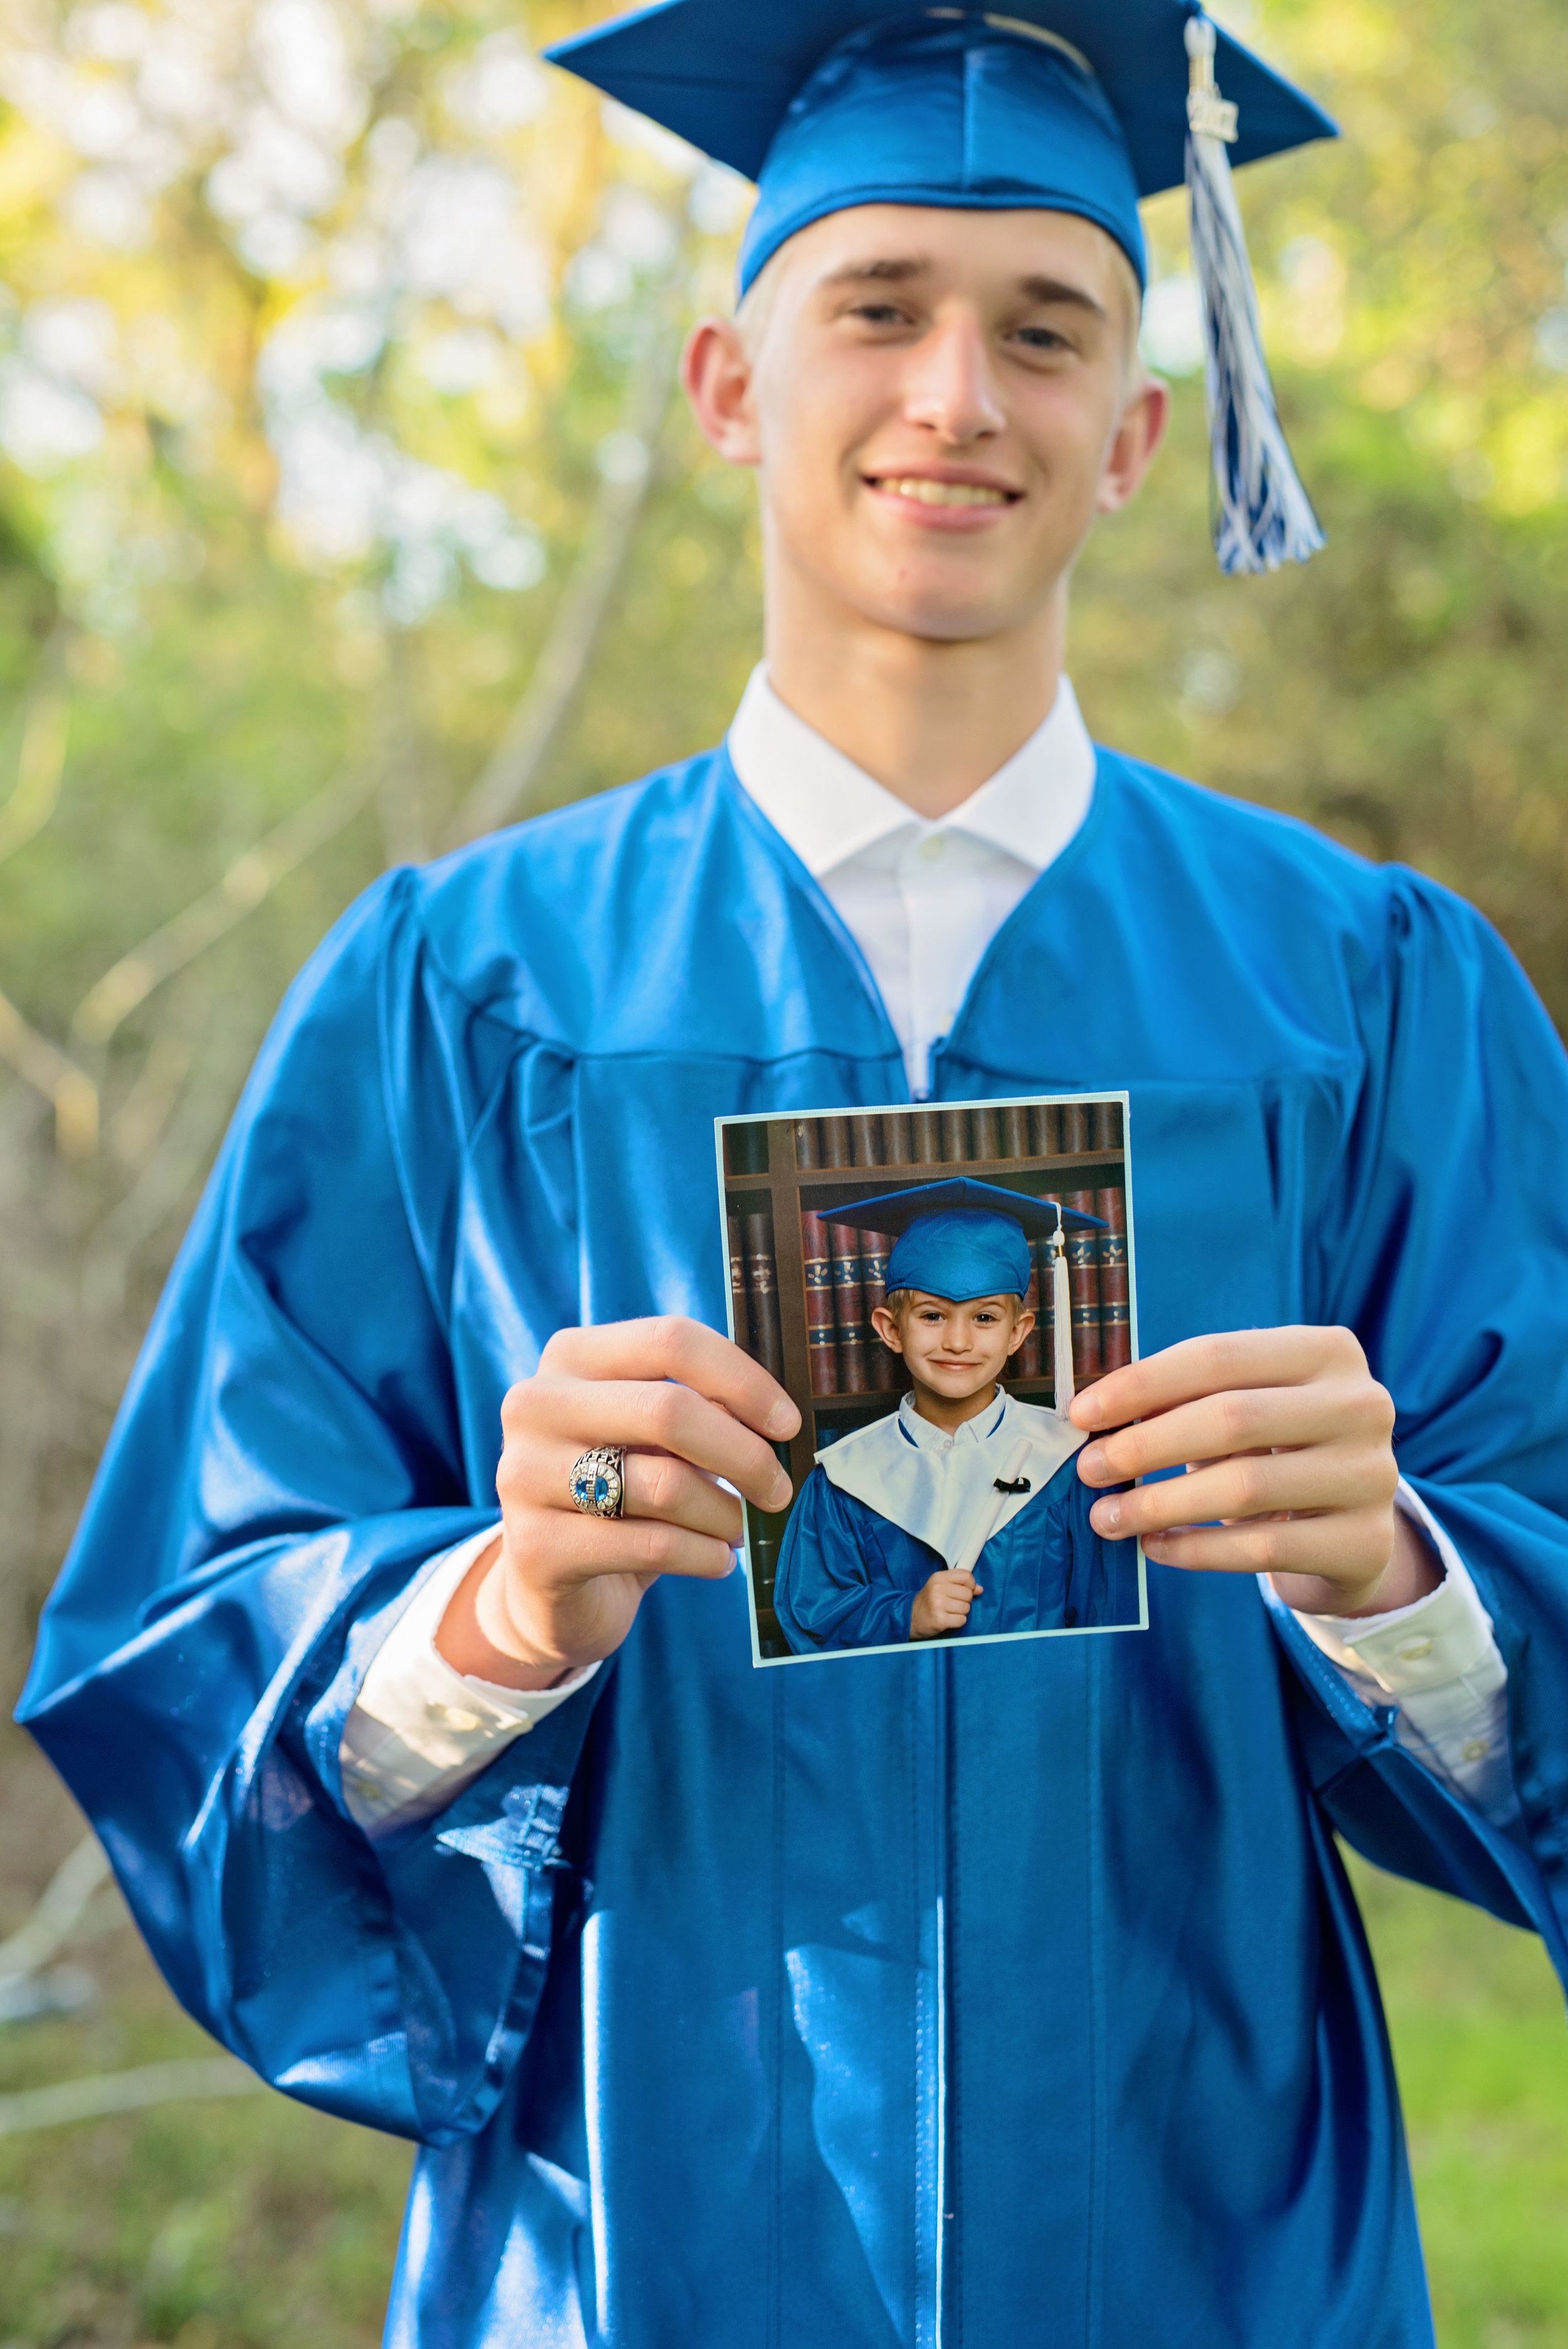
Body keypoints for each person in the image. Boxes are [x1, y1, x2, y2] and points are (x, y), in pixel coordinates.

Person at [18, 4, 1568, 2343]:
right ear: (727, 383)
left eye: (1042, 332)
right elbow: (187, 1643)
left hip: (1209, 2233)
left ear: (1138, 434)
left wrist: (1399, 1563)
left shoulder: (1354, 995)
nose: (957, 395)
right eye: (879, 311)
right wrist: (496, 1610)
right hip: (627, 2240)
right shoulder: (460, 990)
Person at [772, 1179, 1140, 1650]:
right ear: (891, 1329)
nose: (959, 1343)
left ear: (1018, 1332)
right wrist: (905, 1614)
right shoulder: (843, 1480)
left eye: (985, 1318)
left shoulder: (1071, 1464)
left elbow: (1111, 1616)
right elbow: (813, 1618)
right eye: (932, 1316)